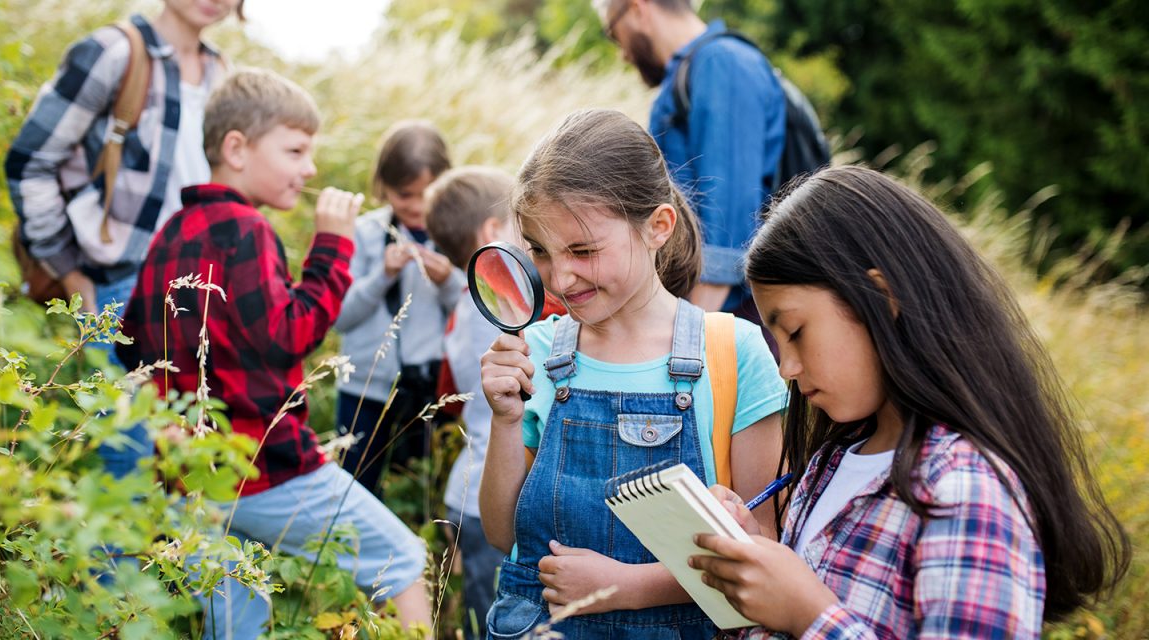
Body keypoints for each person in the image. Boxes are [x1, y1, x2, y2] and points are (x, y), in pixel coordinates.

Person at [688, 166, 1130, 637]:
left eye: (795, 332)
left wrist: (809, 615)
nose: (787, 368)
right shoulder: (830, 464)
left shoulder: (964, 489)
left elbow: (810, 609)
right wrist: (754, 559)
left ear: (882, 296)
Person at [114, 68, 431, 639]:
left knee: (238, 615)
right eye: (295, 150)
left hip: (195, 478)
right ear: (236, 148)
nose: (309, 169)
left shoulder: (172, 232)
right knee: (403, 562)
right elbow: (292, 334)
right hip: (270, 469)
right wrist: (334, 244)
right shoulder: (248, 229)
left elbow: (130, 344)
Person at [477, 109, 787, 638]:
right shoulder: (539, 349)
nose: (561, 276)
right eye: (540, 252)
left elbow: (766, 546)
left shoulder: (732, 352)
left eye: (582, 250)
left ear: (657, 227)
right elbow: (505, 536)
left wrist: (627, 587)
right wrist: (505, 421)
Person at [6, 0, 241, 478]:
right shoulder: (113, 52)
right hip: (121, 284)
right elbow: (29, 161)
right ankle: (110, 557)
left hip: (199, 290)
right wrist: (70, 272)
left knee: (188, 464)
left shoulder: (222, 72)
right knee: (129, 458)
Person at [597, 0, 785, 324]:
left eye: (614, 34)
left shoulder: (722, 63)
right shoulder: (690, 73)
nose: (622, 53)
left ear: (637, 8)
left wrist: (686, 340)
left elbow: (728, 228)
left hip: (730, 321)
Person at [335, 120, 464, 495]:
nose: (417, 207)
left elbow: (476, 314)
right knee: (354, 487)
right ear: (383, 187)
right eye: (405, 195)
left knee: (427, 491)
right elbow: (341, 317)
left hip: (433, 389)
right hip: (364, 388)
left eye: (428, 194)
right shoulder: (364, 233)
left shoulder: (457, 235)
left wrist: (448, 283)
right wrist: (381, 276)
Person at [424, 166, 519, 639]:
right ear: (492, 234)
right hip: (487, 499)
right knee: (491, 618)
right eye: (521, 226)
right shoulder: (502, 308)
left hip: (470, 486)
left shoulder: (465, 304)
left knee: (481, 608)